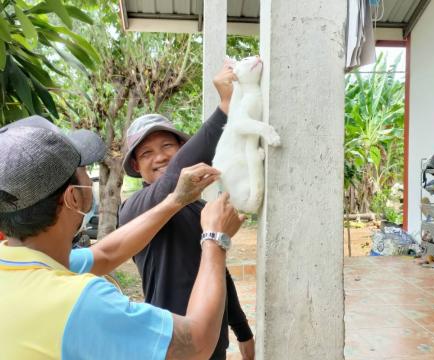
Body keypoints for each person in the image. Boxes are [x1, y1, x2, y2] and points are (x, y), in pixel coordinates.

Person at [0, 116, 245, 359]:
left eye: (168, 146)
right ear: (73, 196)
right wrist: (215, 238)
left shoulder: (17, 262)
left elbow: (105, 253)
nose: (160, 157)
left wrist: (176, 200)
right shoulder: (81, 302)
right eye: (83, 169)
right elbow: (196, 343)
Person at [118, 63, 255, 360]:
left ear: (180, 149)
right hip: (170, 343)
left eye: (168, 146)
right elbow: (171, 182)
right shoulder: (133, 210)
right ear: (136, 168)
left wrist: (242, 329)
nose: (160, 157)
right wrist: (225, 109)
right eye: (146, 153)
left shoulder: (200, 210)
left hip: (213, 342)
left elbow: (217, 270)